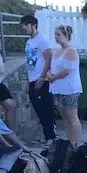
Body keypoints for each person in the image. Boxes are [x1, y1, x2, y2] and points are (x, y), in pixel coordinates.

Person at [21, 15, 56, 145]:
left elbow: (49, 59)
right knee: (37, 108)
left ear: (33, 25)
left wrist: (42, 77)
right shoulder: (29, 42)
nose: (24, 28)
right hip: (31, 79)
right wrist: (26, 80)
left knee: (45, 108)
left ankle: (50, 136)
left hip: (41, 79)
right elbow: (28, 62)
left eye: (26, 25)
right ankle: (46, 134)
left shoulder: (43, 40)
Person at [47, 25, 82, 146]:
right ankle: (69, 142)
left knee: (72, 117)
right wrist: (49, 74)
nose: (56, 37)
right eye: (55, 35)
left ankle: (77, 144)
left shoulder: (71, 51)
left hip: (69, 89)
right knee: (65, 118)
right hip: (57, 89)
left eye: (58, 35)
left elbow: (67, 70)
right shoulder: (56, 51)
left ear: (65, 35)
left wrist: (53, 77)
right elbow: (53, 67)